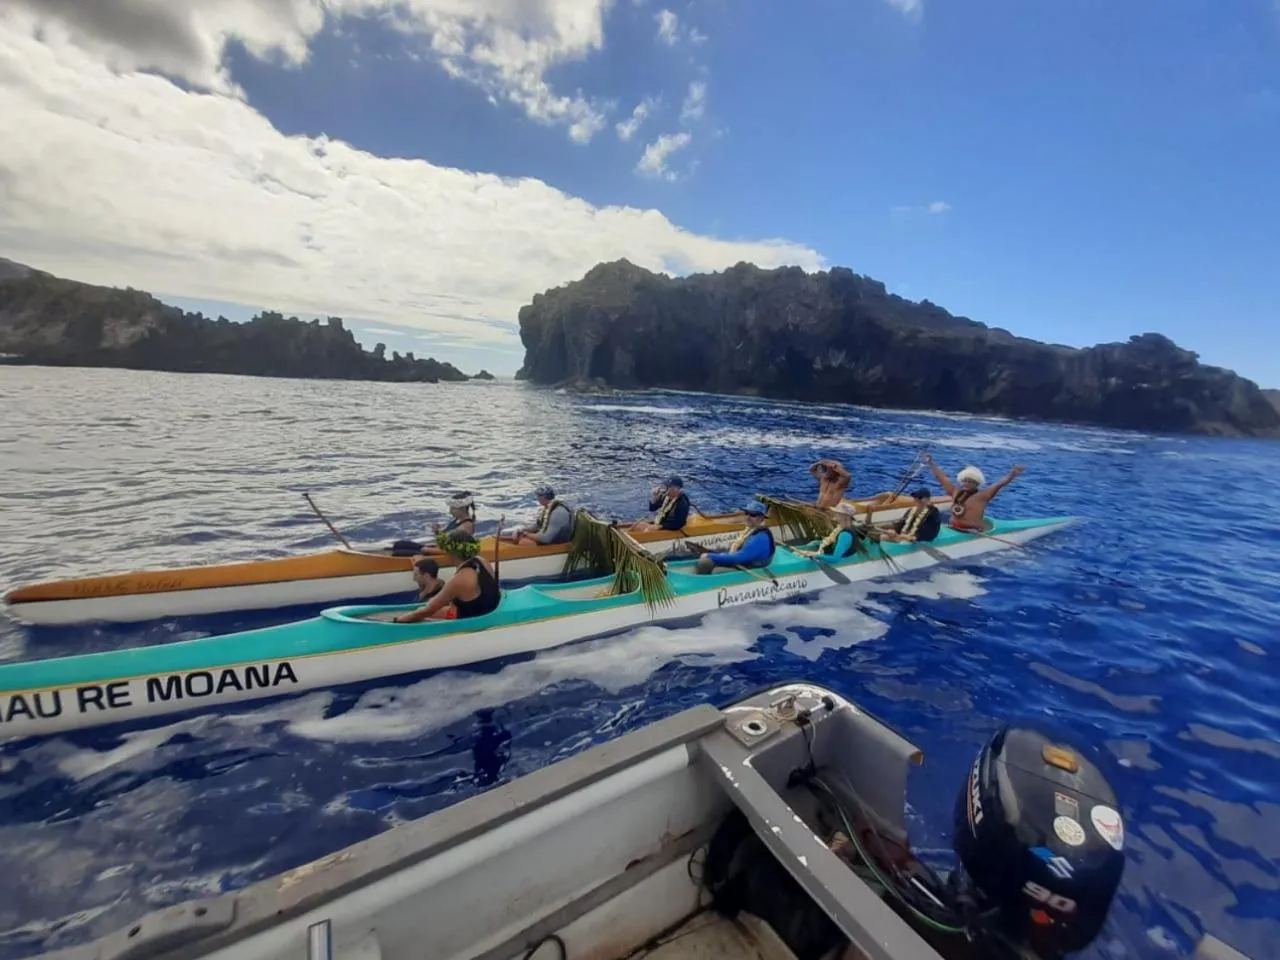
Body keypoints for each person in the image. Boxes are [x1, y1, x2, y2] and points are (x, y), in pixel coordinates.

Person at [923, 453, 1025, 532]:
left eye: (971, 481)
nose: (967, 483)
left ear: (977, 484)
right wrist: (931, 463)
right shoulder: (955, 492)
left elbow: (999, 484)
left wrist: (1012, 474)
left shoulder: (982, 496)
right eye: (965, 480)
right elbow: (942, 478)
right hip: (953, 527)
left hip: (972, 531)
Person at [393, 552, 500, 622]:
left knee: (421, 611)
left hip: (465, 616)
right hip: (477, 610)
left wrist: (399, 620)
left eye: (416, 575)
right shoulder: (480, 562)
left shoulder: (459, 580)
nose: (414, 579)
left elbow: (428, 610)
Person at [695, 501, 776, 574]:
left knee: (705, 563)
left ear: (761, 518)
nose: (748, 517)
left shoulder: (760, 538)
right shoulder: (750, 531)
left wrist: (710, 555)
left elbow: (738, 558)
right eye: (746, 513)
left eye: (752, 515)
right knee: (706, 562)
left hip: (751, 569)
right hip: (744, 562)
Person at [509, 485, 573, 546]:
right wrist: (522, 530)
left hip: (556, 546)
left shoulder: (558, 513)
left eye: (539, 495)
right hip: (545, 539)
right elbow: (537, 526)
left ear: (545, 497)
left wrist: (525, 534)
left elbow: (545, 539)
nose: (537, 498)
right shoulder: (548, 508)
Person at [797, 504, 862, 560]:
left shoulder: (845, 535)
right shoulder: (842, 529)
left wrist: (815, 555)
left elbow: (835, 558)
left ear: (844, 517)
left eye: (837, 512)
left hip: (835, 561)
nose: (835, 513)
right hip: (827, 554)